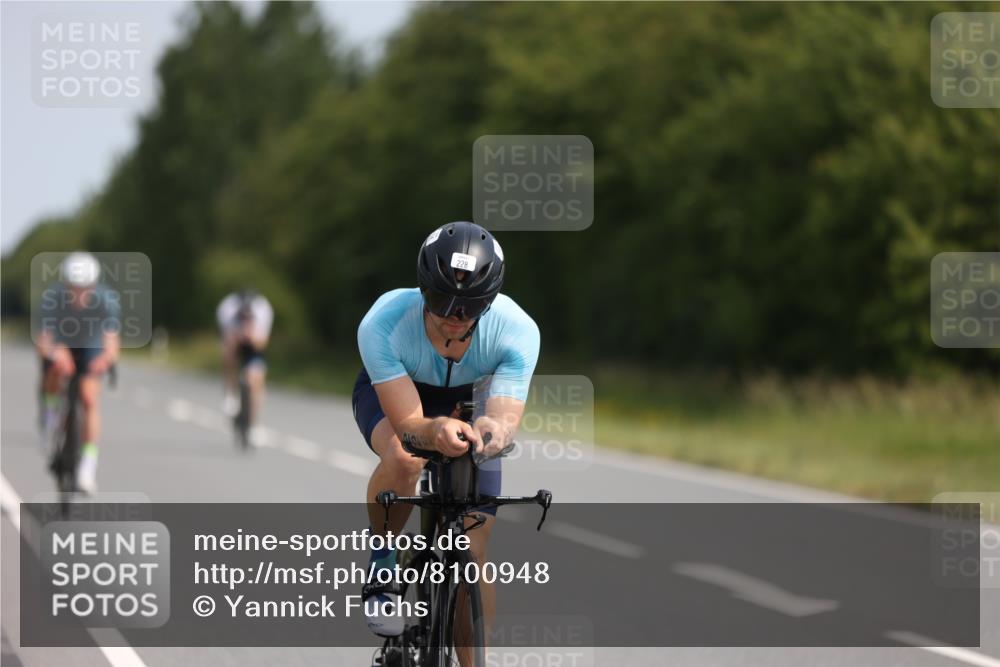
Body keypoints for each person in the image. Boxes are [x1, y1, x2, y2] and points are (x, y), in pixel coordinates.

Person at [353, 221, 540, 651]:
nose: (454, 318)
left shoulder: (517, 330)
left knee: (472, 556)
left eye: (470, 307)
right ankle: (383, 562)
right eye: (440, 301)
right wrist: (434, 429)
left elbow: (503, 417)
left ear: (490, 301)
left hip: (472, 396)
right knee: (404, 457)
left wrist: (492, 430)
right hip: (403, 390)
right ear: (422, 290)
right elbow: (409, 426)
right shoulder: (383, 322)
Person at [36, 251, 121, 494]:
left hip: (91, 345)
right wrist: (54, 355)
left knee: (89, 397)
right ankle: (49, 414)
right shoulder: (52, 298)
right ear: (66, 285)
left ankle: (87, 468)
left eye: (86, 288)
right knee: (53, 372)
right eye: (74, 288)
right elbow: (44, 341)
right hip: (63, 343)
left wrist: (106, 359)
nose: (80, 294)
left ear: (94, 285)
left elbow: (112, 340)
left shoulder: (107, 300)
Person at [216, 288, 273, 445]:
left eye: (249, 319)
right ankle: (230, 395)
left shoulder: (263, 310)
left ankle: (255, 425)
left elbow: (262, 344)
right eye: (243, 318)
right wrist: (238, 337)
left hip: (254, 345)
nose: (246, 321)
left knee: (257, 379)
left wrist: (252, 338)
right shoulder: (227, 309)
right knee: (228, 356)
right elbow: (227, 342)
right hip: (233, 339)